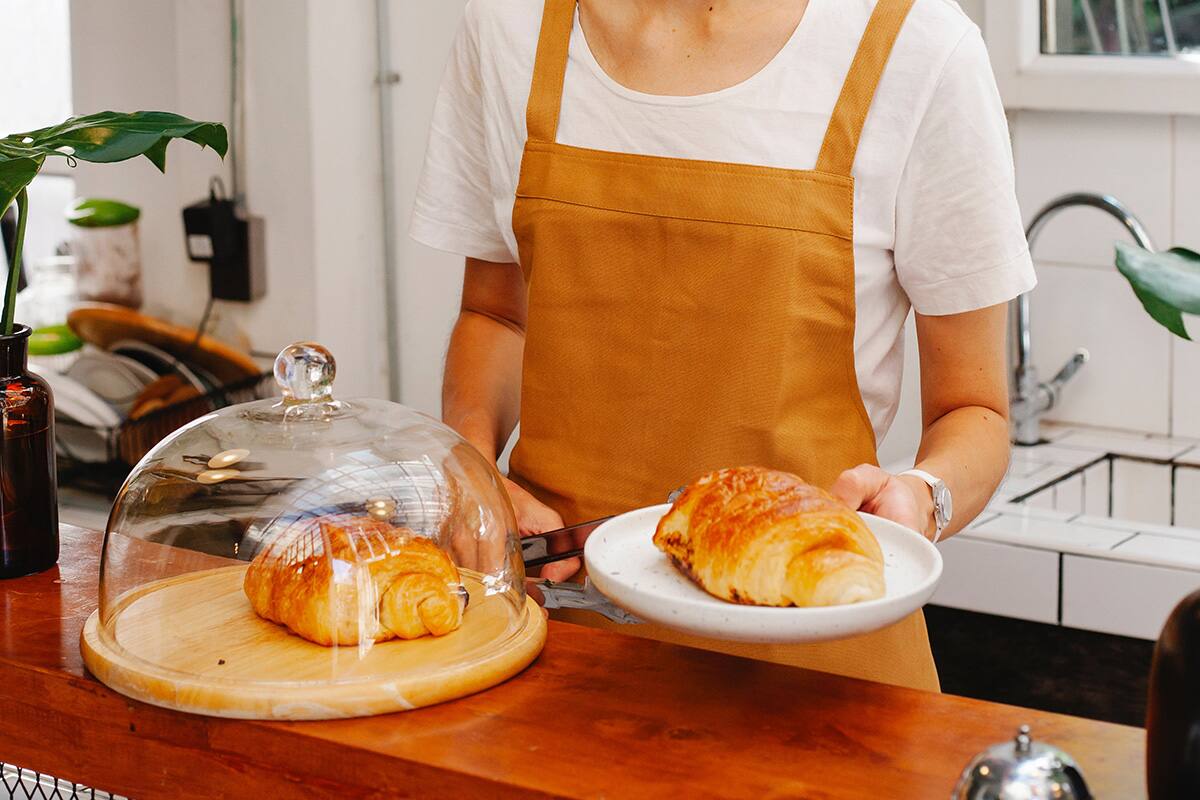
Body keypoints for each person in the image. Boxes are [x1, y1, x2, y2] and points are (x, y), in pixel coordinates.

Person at [411, 0, 1035, 691]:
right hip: (560, 651)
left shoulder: (920, 49)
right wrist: (471, 470)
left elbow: (975, 412)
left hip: (817, 668)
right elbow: (497, 316)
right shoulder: (508, 27)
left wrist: (923, 495)